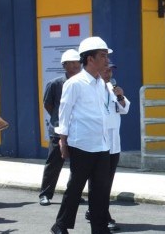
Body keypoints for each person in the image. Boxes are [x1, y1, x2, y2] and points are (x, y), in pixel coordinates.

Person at [51, 36, 113, 234]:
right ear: (90, 59)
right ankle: (60, 225)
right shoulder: (75, 83)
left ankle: (100, 228)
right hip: (81, 144)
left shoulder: (102, 84)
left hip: (102, 144)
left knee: (101, 190)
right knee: (75, 188)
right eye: (102, 56)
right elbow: (64, 112)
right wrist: (63, 140)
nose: (106, 60)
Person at [85, 63, 130, 231]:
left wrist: (120, 96)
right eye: (105, 69)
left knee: (107, 182)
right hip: (97, 141)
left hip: (113, 142)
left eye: (110, 70)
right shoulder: (91, 88)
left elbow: (124, 110)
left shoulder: (113, 87)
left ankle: (96, 212)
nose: (108, 73)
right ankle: (102, 215)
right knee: (98, 182)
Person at [39, 49, 81, 206]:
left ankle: (73, 194)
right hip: (58, 131)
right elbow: (48, 105)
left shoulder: (83, 83)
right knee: (54, 163)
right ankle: (45, 194)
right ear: (65, 65)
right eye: (73, 63)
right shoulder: (55, 84)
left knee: (78, 166)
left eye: (78, 62)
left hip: (77, 130)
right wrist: (58, 120)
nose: (77, 65)